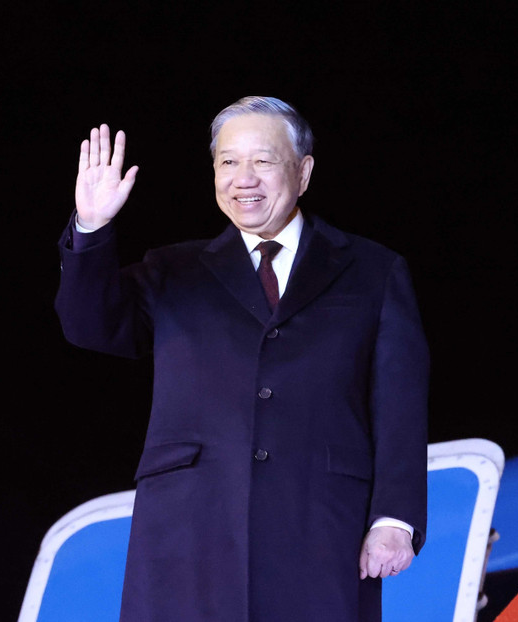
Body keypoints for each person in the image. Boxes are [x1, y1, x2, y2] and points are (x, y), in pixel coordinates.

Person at [55, 96, 429, 622]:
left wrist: (395, 517)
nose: (243, 178)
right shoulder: (173, 270)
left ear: (303, 172)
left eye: (263, 161)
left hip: (321, 529)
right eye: (228, 162)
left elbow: (400, 403)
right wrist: (91, 230)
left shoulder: (373, 270)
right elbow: (89, 327)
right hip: (188, 534)